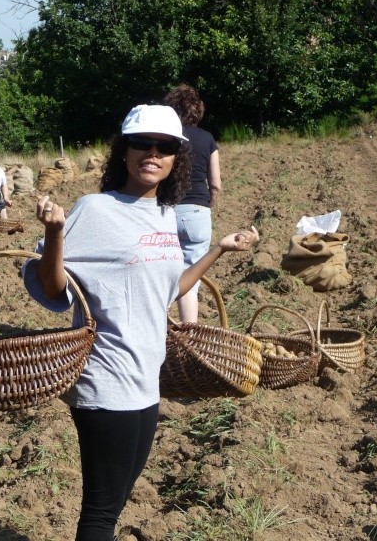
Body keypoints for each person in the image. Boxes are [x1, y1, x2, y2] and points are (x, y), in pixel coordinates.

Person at [21, 104, 259, 541]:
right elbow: (54, 290)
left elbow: (169, 290)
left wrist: (220, 250)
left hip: (147, 377)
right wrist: (55, 234)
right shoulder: (95, 209)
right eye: (141, 144)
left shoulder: (166, 214)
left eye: (164, 146)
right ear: (123, 151)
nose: (152, 153)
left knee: (117, 498)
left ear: (177, 157)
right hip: (105, 378)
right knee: (100, 512)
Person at [163, 83, 222, 323]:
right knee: (191, 277)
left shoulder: (166, 138)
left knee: (161, 275)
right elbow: (215, 183)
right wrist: (207, 204)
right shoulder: (207, 139)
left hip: (165, 210)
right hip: (197, 211)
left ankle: (158, 332)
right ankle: (190, 337)